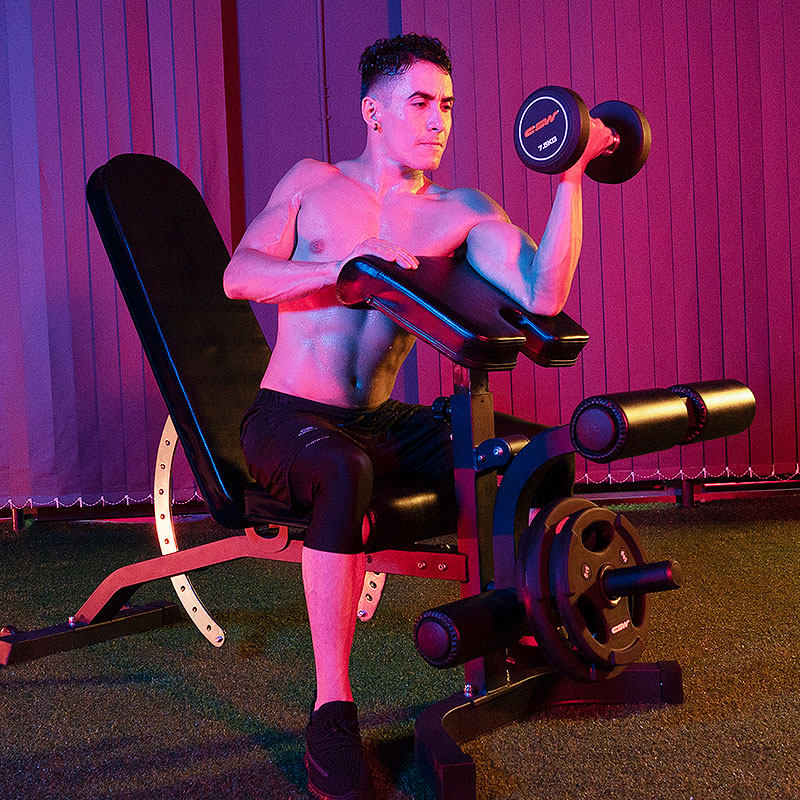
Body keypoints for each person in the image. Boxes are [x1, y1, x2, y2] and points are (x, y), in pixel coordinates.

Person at [223, 33, 613, 800]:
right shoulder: (313, 183)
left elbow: (543, 294)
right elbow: (241, 274)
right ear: (373, 112)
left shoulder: (459, 213)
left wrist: (571, 178)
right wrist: (340, 270)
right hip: (288, 420)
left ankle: (529, 620)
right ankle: (331, 706)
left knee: (537, 452)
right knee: (342, 470)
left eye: (448, 106)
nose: (438, 121)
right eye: (421, 103)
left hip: (380, 419)